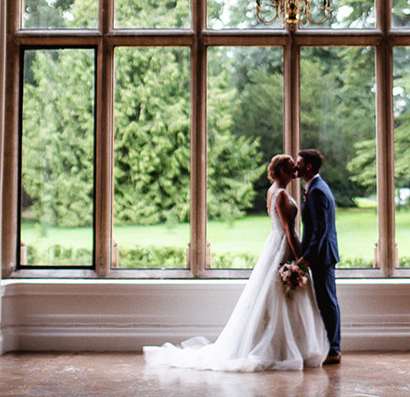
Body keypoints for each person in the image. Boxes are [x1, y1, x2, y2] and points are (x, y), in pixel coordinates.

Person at [143, 154, 329, 371]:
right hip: (282, 246)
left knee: (277, 296)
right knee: (279, 296)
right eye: (290, 167)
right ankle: (280, 348)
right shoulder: (280, 195)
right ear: (280, 171)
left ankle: (289, 345)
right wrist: (299, 260)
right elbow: (288, 230)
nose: (294, 170)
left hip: (275, 244)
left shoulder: (274, 192)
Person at [294, 148, 341, 364]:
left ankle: (334, 349)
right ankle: (331, 346)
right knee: (325, 300)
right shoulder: (313, 188)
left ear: (308, 166)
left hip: (322, 256)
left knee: (327, 301)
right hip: (320, 254)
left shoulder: (317, 191)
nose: (296, 165)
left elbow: (320, 230)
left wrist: (308, 257)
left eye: (299, 162)